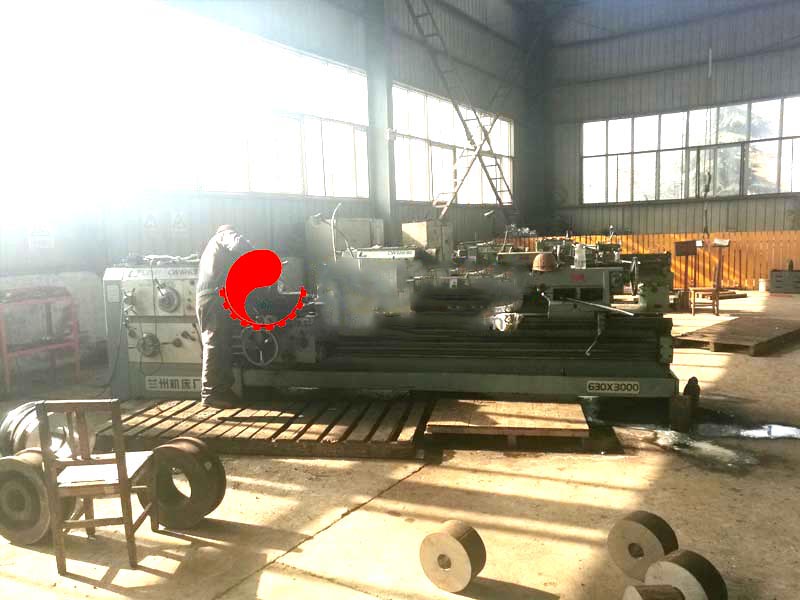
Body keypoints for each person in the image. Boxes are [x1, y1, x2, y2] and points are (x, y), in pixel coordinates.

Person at [196, 225, 254, 408]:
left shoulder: (211, 248)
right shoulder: (224, 235)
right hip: (215, 296)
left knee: (220, 343)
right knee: (216, 343)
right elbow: (239, 245)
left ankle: (221, 390)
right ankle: (211, 393)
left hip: (209, 297)